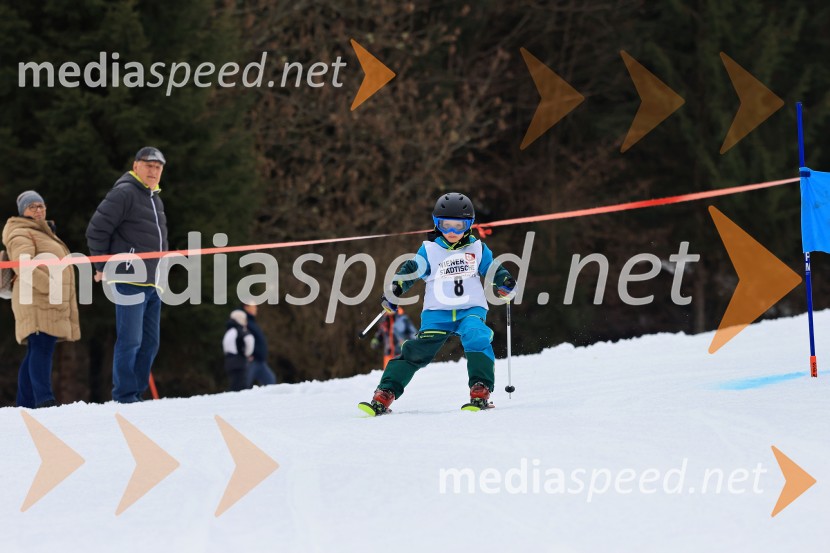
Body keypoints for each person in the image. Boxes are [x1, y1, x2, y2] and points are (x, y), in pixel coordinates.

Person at [358, 192, 516, 416]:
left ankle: (480, 388)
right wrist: (395, 290)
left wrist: (505, 282)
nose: (452, 232)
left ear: (468, 225)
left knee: (476, 334)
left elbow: (493, 269)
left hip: (470, 308)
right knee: (417, 350)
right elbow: (410, 271)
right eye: (445, 225)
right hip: (437, 312)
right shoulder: (430, 250)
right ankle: (386, 392)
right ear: (437, 224)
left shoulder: (477, 249)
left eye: (458, 226)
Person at [86, 147, 168, 403]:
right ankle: (124, 396)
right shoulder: (124, 193)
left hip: (153, 282)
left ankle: (136, 393)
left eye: (158, 167)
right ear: (136, 166)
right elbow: (96, 229)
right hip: (128, 279)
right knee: (130, 340)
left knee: (150, 343)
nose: (153, 171)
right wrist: (102, 266)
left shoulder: (154, 198)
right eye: (148, 166)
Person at [2, 191, 80, 408]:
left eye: (41, 206)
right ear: (23, 211)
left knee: (38, 348)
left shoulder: (43, 232)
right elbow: (22, 264)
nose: (38, 210)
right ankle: (44, 399)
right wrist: (50, 286)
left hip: (45, 299)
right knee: (41, 347)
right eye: (32, 207)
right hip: (35, 298)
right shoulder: (21, 232)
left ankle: (25, 403)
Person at [241, 303, 277, 386]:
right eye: (253, 306)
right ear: (246, 307)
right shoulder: (245, 323)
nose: (256, 308)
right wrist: (247, 354)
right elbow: (242, 340)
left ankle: (269, 399)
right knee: (244, 384)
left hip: (260, 361)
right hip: (251, 361)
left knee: (270, 380)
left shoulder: (252, 322)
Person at [223, 309, 255, 392]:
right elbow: (249, 339)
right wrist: (247, 354)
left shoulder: (229, 331)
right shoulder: (240, 330)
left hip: (229, 362)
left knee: (234, 385)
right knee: (241, 388)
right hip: (239, 362)